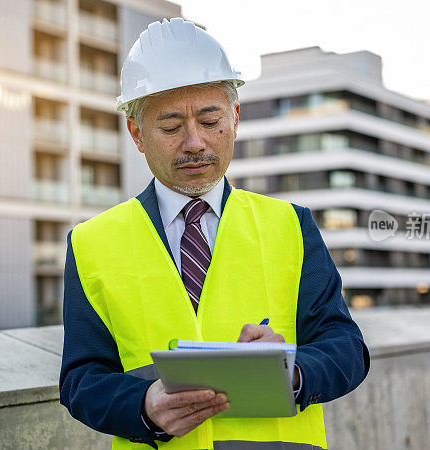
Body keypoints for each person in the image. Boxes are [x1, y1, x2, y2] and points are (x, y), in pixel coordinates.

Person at [59, 18, 369, 450]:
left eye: (210, 120)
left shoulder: (292, 225)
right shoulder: (91, 243)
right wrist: (144, 406)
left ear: (235, 118)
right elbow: (80, 379)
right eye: (170, 128)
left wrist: (291, 371)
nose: (195, 143)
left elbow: (347, 348)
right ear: (137, 134)